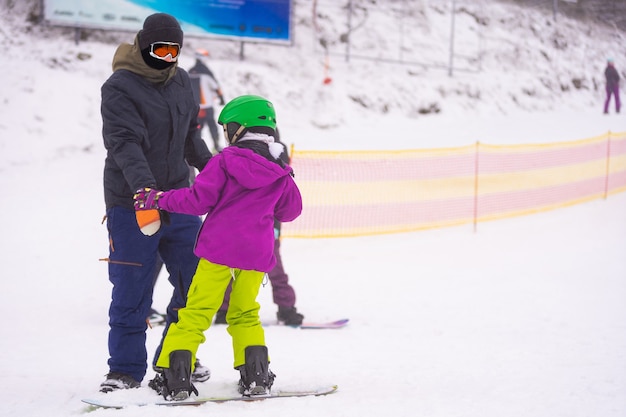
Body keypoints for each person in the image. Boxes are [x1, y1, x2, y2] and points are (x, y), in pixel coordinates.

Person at [133, 95, 303, 401]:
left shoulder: (224, 162)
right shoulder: (279, 169)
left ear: (238, 129)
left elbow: (197, 200)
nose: (226, 134)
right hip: (255, 255)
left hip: (219, 251)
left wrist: (158, 199)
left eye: (228, 129)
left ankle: (175, 379)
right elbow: (291, 211)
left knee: (196, 312)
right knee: (246, 313)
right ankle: (256, 376)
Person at [99, 13, 213, 393]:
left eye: (174, 50)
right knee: (133, 285)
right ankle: (125, 371)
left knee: (195, 280)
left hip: (179, 197)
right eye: (160, 50)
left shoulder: (182, 81)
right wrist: (144, 190)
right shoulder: (119, 86)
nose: (167, 57)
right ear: (144, 47)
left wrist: (216, 174)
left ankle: (175, 358)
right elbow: (124, 142)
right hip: (131, 201)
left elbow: (191, 137)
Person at [214, 129, 305, 326]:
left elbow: (282, 191)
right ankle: (225, 308)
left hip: (267, 223)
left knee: (274, 265)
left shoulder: (276, 152)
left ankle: (286, 308)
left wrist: (276, 225)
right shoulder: (233, 153)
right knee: (231, 265)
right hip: (238, 223)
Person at [189, 48, 226, 152]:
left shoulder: (190, 71)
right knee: (212, 127)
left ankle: (195, 148)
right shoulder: (207, 73)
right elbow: (216, 86)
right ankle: (216, 145)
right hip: (207, 106)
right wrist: (221, 98)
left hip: (196, 107)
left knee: (197, 128)